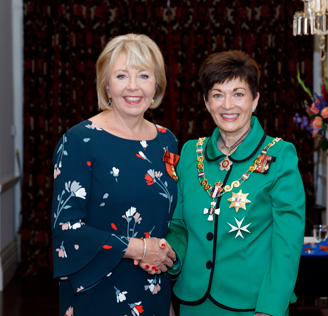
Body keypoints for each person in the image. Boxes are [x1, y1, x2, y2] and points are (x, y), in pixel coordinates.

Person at [164, 51, 305, 316]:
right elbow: (180, 226)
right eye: (218, 94)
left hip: (253, 306)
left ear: (255, 101)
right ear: (206, 103)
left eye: (238, 94)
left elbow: (287, 243)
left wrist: (271, 308)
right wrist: (168, 256)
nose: (228, 105)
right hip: (193, 302)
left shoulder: (280, 155)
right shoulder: (189, 153)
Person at [51, 33, 178, 316]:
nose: (133, 86)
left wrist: (166, 300)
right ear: (106, 85)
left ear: (156, 84)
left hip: (154, 291)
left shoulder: (167, 141)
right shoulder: (79, 141)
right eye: (121, 76)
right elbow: (67, 231)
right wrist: (140, 249)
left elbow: (171, 222)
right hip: (96, 295)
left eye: (144, 75)